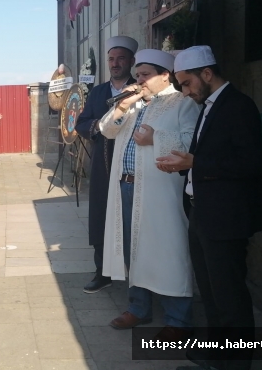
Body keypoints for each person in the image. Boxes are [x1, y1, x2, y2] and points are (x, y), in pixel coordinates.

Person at [157, 46, 262, 370]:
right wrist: (183, 165)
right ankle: (217, 353)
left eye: (187, 83)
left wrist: (195, 162)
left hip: (227, 217)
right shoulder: (207, 106)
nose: (184, 90)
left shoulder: (238, 106)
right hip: (202, 212)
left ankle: (236, 363)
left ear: (207, 74)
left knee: (230, 296)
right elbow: (205, 158)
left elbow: (250, 163)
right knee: (210, 292)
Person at [98, 49, 199, 338]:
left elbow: (193, 142)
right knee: (132, 248)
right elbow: (107, 131)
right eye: (138, 75)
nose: (139, 80)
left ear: (164, 75)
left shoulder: (182, 103)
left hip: (161, 191)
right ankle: (138, 307)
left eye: (144, 75)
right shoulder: (134, 104)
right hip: (126, 186)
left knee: (168, 249)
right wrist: (121, 106)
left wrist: (157, 139)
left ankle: (177, 319)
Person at [76, 35, 138, 294]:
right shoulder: (99, 92)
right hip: (103, 164)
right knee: (102, 215)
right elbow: (82, 122)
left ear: (131, 61)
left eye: (120, 58)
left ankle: (136, 274)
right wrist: (100, 128)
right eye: (111, 59)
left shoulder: (140, 88)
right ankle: (103, 272)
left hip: (132, 166)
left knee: (132, 219)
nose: (115, 63)